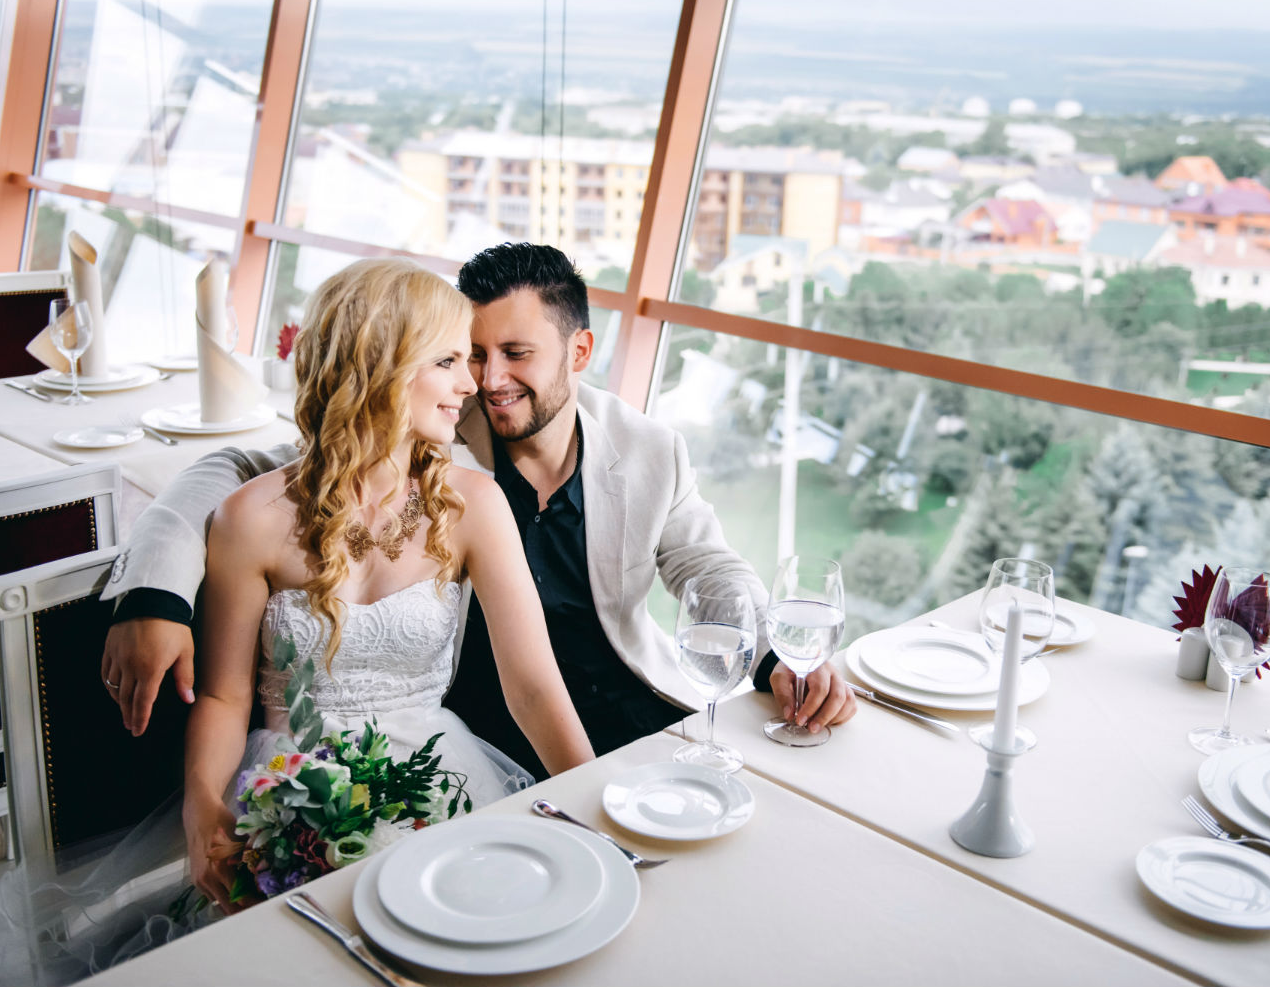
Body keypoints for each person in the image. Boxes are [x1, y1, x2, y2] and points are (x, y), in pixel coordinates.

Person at [100, 243, 854, 777]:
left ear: (580, 352)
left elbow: (709, 567)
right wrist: (153, 594)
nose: (488, 380)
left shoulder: (648, 447)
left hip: (628, 708)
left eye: (516, 353)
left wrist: (775, 657)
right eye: (471, 352)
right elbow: (239, 474)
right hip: (482, 730)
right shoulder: (428, 427)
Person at [181, 257, 593, 911]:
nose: (472, 384)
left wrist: (592, 805)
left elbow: (533, 687)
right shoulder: (250, 520)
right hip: (290, 796)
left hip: (438, 782)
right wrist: (202, 802)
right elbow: (224, 696)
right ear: (381, 364)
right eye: (449, 360)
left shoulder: (475, 504)